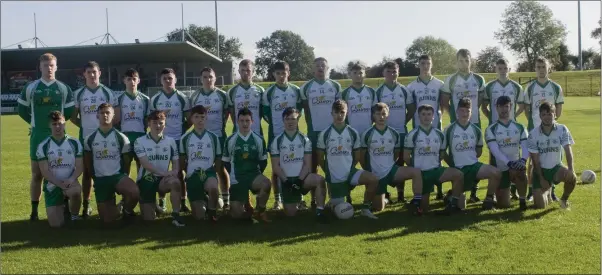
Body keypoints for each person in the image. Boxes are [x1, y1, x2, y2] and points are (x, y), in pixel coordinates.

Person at [18, 53, 75, 221]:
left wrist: (58, 127)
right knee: (37, 175)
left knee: (62, 172)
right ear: (40, 67)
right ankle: (34, 210)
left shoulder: (64, 88)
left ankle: (64, 206)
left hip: (59, 137)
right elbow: (22, 110)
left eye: (51, 65)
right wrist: (34, 123)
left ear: (56, 67)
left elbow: (70, 111)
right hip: (38, 136)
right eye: (45, 66)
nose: (49, 68)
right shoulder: (31, 87)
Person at [316, 100, 379, 219]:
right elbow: (320, 158)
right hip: (334, 177)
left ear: (347, 113)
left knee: (373, 179)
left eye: (342, 112)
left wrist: (350, 170)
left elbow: (357, 156)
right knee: (342, 212)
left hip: (350, 173)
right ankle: (332, 202)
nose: (339, 115)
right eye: (336, 112)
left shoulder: (352, 132)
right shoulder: (325, 134)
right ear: (332, 113)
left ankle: (365, 208)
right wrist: (329, 172)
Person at [71, 61, 118, 218]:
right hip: (86, 139)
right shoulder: (78, 93)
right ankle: (86, 205)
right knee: (87, 172)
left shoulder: (107, 93)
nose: (92, 75)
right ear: (84, 74)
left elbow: (115, 116)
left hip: (107, 137)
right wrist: (86, 128)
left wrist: (105, 129)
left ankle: (112, 201)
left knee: (109, 169)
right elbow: (73, 117)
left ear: (100, 73)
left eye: (94, 72)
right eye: (89, 72)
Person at [440, 49, 486, 203]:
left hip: (474, 123)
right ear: (456, 61)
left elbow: (480, 99)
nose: (464, 63)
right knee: (458, 157)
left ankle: (473, 191)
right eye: (460, 60)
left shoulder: (479, 79)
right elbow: (444, 101)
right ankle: (457, 190)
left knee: (474, 156)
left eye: (466, 60)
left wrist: (471, 113)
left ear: (471, 60)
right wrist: (454, 115)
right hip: (457, 123)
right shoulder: (451, 79)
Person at [440, 98, 501, 213]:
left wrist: (470, 160)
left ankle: (489, 200)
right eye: (462, 111)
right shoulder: (449, 130)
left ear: (471, 112)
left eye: (467, 111)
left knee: (496, 172)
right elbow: (443, 153)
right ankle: (451, 195)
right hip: (458, 169)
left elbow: (479, 153)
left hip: (473, 166)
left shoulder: (476, 130)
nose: (464, 114)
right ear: (457, 111)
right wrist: (453, 165)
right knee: (461, 206)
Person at [359, 103, 423, 213]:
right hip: (376, 174)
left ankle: (416, 201)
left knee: (416, 172)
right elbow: (361, 156)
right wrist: (369, 172)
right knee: (379, 208)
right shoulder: (367, 133)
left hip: (391, 171)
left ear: (388, 115)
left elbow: (396, 153)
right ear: (373, 116)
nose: (381, 117)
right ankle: (385, 199)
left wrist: (389, 165)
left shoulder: (394, 133)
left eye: (384, 114)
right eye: (378, 114)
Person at [83, 103, 139, 224]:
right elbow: (88, 162)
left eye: (108, 112)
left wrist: (123, 177)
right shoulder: (89, 139)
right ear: (97, 116)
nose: (105, 115)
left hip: (117, 177)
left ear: (113, 115)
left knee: (134, 192)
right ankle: (116, 207)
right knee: (108, 221)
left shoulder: (121, 137)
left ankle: (127, 210)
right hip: (101, 180)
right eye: (102, 113)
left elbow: (126, 162)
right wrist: (96, 178)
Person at [270, 107, 328, 222]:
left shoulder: (305, 140)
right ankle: (292, 200)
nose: (290, 122)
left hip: (302, 180)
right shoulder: (277, 141)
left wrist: (299, 181)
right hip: (287, 181)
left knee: (320, 180)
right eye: (287, 119)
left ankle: (320, 211)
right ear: (283, 120)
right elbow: (275, 167)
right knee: (291, 214)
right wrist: (286, 181)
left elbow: (307, 164)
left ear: (298, 120)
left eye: (293, 119)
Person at [403, 105, 463, 214]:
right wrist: (417, 171)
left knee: (458, 174)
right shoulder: (412, 135)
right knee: (424, 209)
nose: (426, 117)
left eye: (429, 114)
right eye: (423, 114)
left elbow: (442, 154)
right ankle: (415, 203)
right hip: (422, 175)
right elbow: (406, 157)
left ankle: (452, 203)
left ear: (433, 117)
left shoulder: (439, 134)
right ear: (418, 117)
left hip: (436, 171)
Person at [300, 57, 342, 205]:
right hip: (314, 132)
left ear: (328, 68)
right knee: (313, 166)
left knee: (332, 164)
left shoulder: (335, 86)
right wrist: (311, 126)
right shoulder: (306, 87)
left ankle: (335, 197)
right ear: (312, 69)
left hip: (332, 132)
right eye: (317, 66)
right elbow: (305, 110)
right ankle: (313, 199)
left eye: (323, 66)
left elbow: (339, 110)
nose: (320, 68)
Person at [481, 59, 525, 200]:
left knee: (514, 155)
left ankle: (514, 190)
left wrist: (513, 117)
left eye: (505, 67)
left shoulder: (516, 87)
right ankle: (493, 193)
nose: (502, 70)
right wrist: (492, 120)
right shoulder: (490, 86)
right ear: (496, 69)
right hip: (496, 128)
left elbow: (522, 106)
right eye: (500, 68)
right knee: (495, 158)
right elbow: (484, 107)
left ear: (509, 68)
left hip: (511, 128)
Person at [262, 61, 303, 210]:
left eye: (283, 73)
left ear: (288, 73)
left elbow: (299, 112)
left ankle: (300, 198)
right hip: (276, 135)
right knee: (276, 168)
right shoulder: (269, 92)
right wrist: (277, 125)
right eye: (278, 73)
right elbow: (265, 113)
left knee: (297, 164)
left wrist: (293, 124)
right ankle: (277, 199)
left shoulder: (296, 90)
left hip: (294, 135)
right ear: (274, 74)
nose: (281, 76)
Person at [522, 57, 564, 202]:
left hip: (551, 129)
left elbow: (558, 110)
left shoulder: (556, 87)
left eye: (543, 67)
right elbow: (527, 110)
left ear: (548, 68)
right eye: (538, 67)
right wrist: (534, 123)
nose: (541, 70)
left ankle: (552, 192)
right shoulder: (530, 88)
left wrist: (552, 123)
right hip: (535, 129)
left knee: (553, 159)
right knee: (533, 161)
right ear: (535, 69)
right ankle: (530, 191)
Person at [150, 68, 191, 213]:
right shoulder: (155, 99)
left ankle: (183, 201)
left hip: (178, 140)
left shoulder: (182, 98)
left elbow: (189, 119)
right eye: (165, 78)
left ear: (175, 80)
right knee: (161, 171)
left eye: (170, 78)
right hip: (161, 142)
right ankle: (161, 202)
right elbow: (152, 121)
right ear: (161, 81)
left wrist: (181, 130)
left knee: (179, 172)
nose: (168, 81)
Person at [133, 110, 185, 226]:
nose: (158, 126)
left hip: (163, 180)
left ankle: (176, 216)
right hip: (146, 179)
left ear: (165, 124)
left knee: (176, 182)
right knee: (149, 220)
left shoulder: (171, 141)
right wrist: (164, 173)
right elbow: (145, 164)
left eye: (161, 123)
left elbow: (176, 163)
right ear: (149, 124)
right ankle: (155, 205)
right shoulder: (139, 141)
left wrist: (174, 172)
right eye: (154, 123)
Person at [190, 67, 231, 211]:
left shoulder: (222, 95)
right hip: (200, 139)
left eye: (210, 77)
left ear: (215, 78)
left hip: (218, 137)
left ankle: (226, 200)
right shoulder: (194, 96)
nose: (208, 79)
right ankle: (206, 196)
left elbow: (226, 114)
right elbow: (191, 117)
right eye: (205, 77)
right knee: (201, 167)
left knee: (221, 168)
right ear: (201, 79)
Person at [222, 108, 272, 222]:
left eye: (247, 121)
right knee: (236, 215)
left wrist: (256, 175)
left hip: (253, 175)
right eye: (242, 120)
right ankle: (247, 212)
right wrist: (234, 176)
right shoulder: (230, 140)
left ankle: (260, 211)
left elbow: (263, 161)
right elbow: (226, 161)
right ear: (237, 122)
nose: (245, 123)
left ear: (252, 122)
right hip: (237, 178)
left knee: (266, 183)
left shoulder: (258, 139)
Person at [375, 61, 415, 203]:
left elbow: (411, 109)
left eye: (394, 71)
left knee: (400, 162)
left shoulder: (404, 90)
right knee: (383, 161)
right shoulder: (379, 91)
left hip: (401, 132)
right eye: (389, 71)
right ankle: (384, 193)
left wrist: (403, 121)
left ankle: (400, 194)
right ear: (383, 73)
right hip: (384, 133)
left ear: (398, 72)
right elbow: (375, 112)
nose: (392, 74)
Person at [407, 54, 445, 200]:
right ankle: (420, 189)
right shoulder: (411, 86)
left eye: (428, 63)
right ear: (419, 65)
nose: (425, 66)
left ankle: (439, 189)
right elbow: (411, 108)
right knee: (420, 156)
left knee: (438, 155)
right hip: (418, 128)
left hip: (436, 126)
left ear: (431, 64)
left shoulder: (440, 84)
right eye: (422, 63)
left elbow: (443, 105)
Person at [36, 111, 83, 227]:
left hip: (70, 182)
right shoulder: (43, 146)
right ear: (49, 126)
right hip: (53, 185)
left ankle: (74, 216)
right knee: (56, 225)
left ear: (64, 124)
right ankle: (64, 205)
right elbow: (45, 172)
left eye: (60, 123)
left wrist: (71, 179)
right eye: (54, 124)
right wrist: (59, 184)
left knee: (76, 192)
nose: (57, 127)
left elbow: (80, 167)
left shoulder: (74, 143)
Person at [527, 102, 576, 209]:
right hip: (540, 170)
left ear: (555, 114)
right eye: (544, 114)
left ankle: (564, 200)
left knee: (572, 177)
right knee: (540, 206)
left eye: (550, 114)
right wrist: (541, 178)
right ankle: (547, 190)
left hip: (556, 169)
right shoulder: (533, 134)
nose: (547, 117)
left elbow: (568, 150)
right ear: (540, 116)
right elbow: (535, 161)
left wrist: (571, 169)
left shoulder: (562, 129)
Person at [485, 96, 529, 211]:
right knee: (504, 205)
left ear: (510, 107)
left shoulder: (520, 127)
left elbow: (525, 146)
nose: (504, 110)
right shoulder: (491, 129)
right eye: (501, 107)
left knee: (521, 172)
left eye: (506, 106)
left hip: (516, 166)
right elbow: (495, 150)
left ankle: (522, 200)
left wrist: (523, 160)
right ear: (496, 108)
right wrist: (508, 163)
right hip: (500, 169)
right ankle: (504, 191)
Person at [179, 105, 222, 222]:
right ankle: (206, 199)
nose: (200, 120)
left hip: (208, 172)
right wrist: (189, 173)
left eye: (202, 117)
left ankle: (212, 212)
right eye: (196, 117)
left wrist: (214, 174)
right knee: (199, 216)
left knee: (213, 188)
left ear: (206, 118)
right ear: (191, 119)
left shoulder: (213, 137)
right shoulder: (185, 138)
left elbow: (218, 159)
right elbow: (182, 162)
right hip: (193, 175)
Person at [114, 68, 150, 179]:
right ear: (124, 81)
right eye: (129, 79)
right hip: (125, 137)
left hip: (140, 137)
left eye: (134, 79)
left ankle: (141, 191)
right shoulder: (118, 99)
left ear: (139, 80)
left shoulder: (145, 99)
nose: (132, 82)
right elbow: (116, 121)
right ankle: (127, 194)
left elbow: (147, 120)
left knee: (142, 165)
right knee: (125, 166)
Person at [341, 62, 376, 136]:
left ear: (365, 74)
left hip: (368, 131)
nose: (358, 75)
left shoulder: (371, 91)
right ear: (350, 75)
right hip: (351, 132)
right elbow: (342, 113)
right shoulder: (345, 93)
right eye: (355, 73)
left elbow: (375, 111)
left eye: (360, 73)